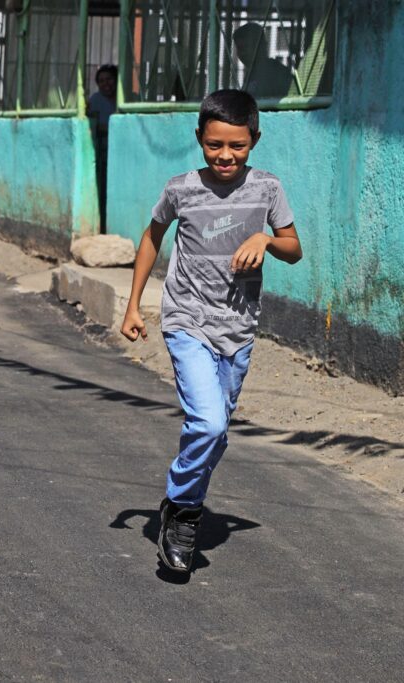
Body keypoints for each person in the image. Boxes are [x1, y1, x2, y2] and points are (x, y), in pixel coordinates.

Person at [120, 90, 302, 573]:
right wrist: (134, 304)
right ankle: (183, 512)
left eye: (238, 146)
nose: (226, 156)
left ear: (254, 141)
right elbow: (152, 236)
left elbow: (293, 247)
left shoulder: (267, 189)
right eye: (215, 145)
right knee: (209, 423)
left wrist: (265, 238)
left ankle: (178, 503)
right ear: (199, 138)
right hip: (187, 320)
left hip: (239, 328)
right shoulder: (181, 188)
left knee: (215, 436)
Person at [87, 64, 117, 228]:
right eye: (101, 81)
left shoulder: (127, 98)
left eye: (109, 79)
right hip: (103, 153)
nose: (106, 84)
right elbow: (92, 124)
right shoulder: (95, 100)